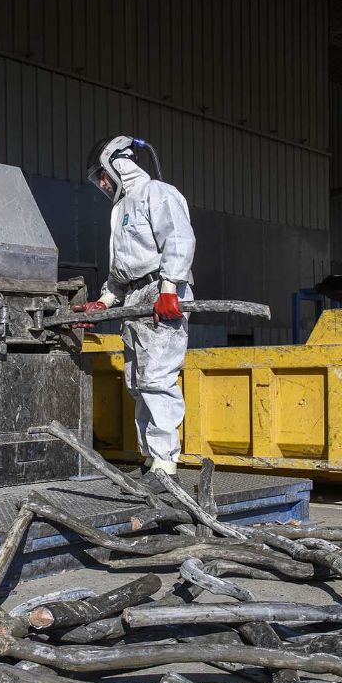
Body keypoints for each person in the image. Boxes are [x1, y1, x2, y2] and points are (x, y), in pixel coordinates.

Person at [73, 136, 195, 479]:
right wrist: (104, 301)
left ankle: (166, 462)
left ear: (117, 164)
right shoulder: (121, 209)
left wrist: (169, 290)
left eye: (102, 175)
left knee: (157, 377)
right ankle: (151, 459)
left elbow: (179, 239)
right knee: (137, 381)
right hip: (134, 298)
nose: (101, 184)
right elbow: (121, 271)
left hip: (161, 292)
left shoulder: (157, 192)